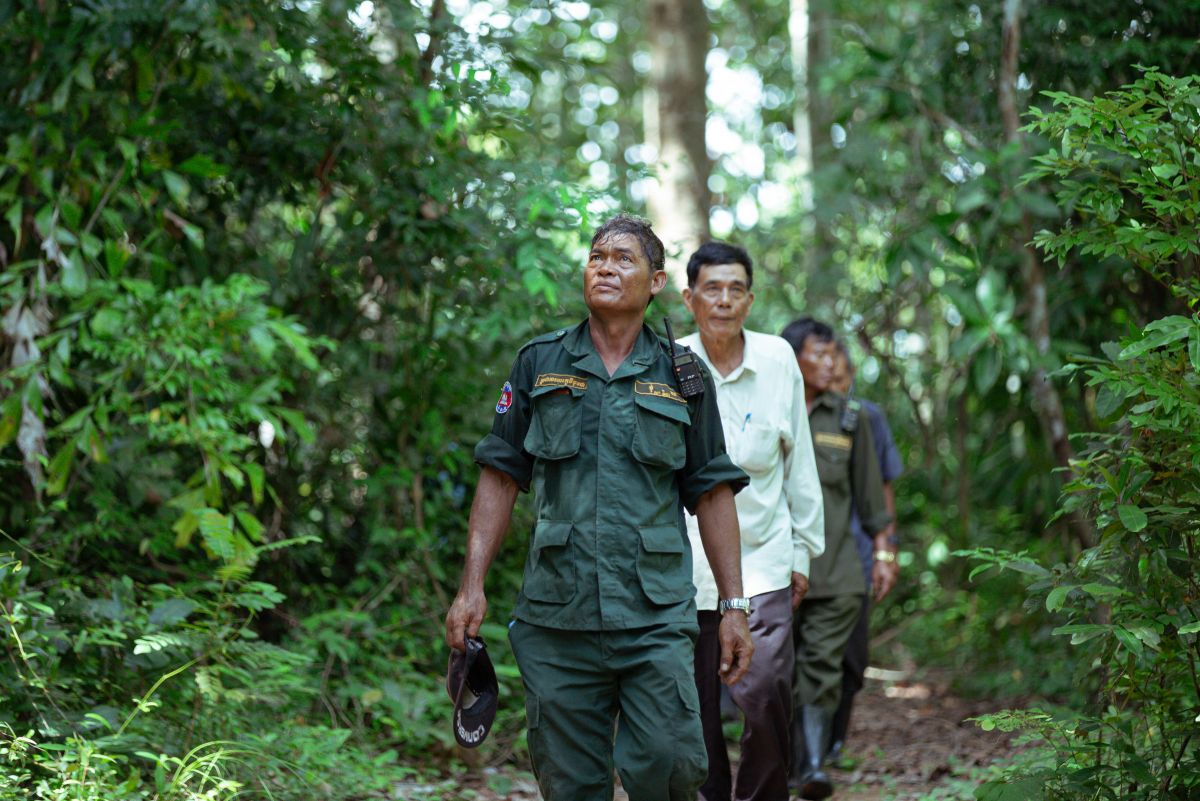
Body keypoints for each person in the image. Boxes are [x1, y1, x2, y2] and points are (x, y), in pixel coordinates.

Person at [443, 213, 754, 801]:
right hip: (558, 616)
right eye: (596, 257)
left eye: (623, 259)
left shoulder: (684, 376)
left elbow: (712, 492)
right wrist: (471, 587)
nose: (605, 267)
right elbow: (500, 476)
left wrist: (733, 605)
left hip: (654, 614)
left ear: (657, 281)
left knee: (671, 763)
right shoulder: (540, 364)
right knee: (570, 783)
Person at [677, 242, 825, 801]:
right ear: (689, 298)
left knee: (765, 695)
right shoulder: (668, 361)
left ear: (751, 299)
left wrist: (803, 554)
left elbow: (799, 464)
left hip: (764, 562)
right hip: (685, 567)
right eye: (712, 289)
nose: (724, 300)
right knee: (694, 708)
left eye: (736, 289)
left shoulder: (778, 359)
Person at [779, 318, 891, 801]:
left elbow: (872, 503)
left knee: (821, 666)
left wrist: (884, 553)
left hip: (837, 571)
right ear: (791, 357)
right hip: (773, 570)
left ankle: (811, 767)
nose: (831, 363)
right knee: (775, 669)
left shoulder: (851, 419)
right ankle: (783, 760)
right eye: (819, 354)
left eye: (832, 355)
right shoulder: (766, 409)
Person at [827, 340, 902, 762]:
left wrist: (885, 552)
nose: (835, 387)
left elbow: (885, 488)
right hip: (807, 560)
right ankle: (807, 751)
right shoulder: (800, 412)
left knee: (851, 659)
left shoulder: (867, 418)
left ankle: (836, 741)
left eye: (841, 379)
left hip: (856, 555)